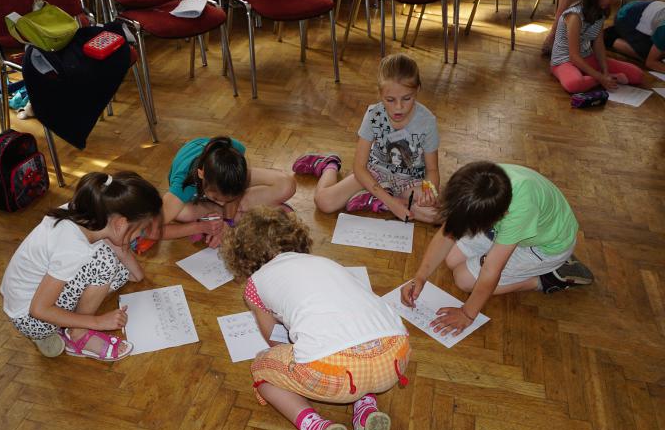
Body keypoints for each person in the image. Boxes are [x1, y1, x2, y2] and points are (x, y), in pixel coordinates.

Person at [221, 207, 411, 430]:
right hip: (396, 354)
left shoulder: (255, 285)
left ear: (243, 257)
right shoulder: (327, 262)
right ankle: (365, 411)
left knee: (261, 369)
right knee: (357, 350)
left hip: (336, 371)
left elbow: (273, 339)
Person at [400, 162, 594, 337]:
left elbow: (492, 270)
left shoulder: (518, 212)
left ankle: (548, 277)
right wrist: (420, 277)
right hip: (512, 230)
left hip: (545, 247)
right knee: (452, 258)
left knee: (463, 279)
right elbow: (447, 233)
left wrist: (467, 314)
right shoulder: (478, 185)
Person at [0, 171, 162, 361]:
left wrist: (124, 245)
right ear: (120, 223)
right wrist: (97, 322)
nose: (140, 235)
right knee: (106, 263)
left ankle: (69, 319)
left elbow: (135, 275)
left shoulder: (91, 214)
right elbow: (39, 309)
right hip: (31, 318)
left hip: (29, 299)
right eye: (140, 230)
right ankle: (77, 334)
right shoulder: (72, 247)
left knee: (116, 269)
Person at [291, 53, 440, 223]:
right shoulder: (374, 115)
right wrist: (392, 203)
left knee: (435, 214)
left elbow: (432, 170)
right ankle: (328, 165)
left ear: (417, 89)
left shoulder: (427, 122)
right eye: (390, 100)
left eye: (407, 98)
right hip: (374, 173)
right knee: (324, 202)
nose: (399, 107)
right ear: (380, 93)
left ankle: (374, 198)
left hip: (410, 180)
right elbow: (359, 167)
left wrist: (429, 191)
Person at [162, 136, 296, 248]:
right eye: (216, 199)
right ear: (201, 174)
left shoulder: (233, 151)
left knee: (286, 185)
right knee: (181, 214)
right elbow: (153, 229)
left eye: (228, 200)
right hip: (195, 197)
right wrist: (199, 227)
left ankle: (230, 214)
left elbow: (234, 192)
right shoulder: (183, 186)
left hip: (224, 187)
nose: (222, 204)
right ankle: (248, 211)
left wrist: (227, 223)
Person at [550, 0, 644, 93]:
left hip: (586, 57)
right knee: (574, 84)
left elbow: (599, 45)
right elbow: (574, 57)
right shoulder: (574, 15)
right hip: (564, 61)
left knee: (637, 75)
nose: (614, 0)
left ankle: (597, 77)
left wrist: (605, 71)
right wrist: (601, 77)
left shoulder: (600, 12)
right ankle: (604, 79)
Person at [604, 0, 665, 72]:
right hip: (625, 17)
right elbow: (651, 62)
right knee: (647, 54)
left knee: (659, 50)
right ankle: (609, 38)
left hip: (640, 11)